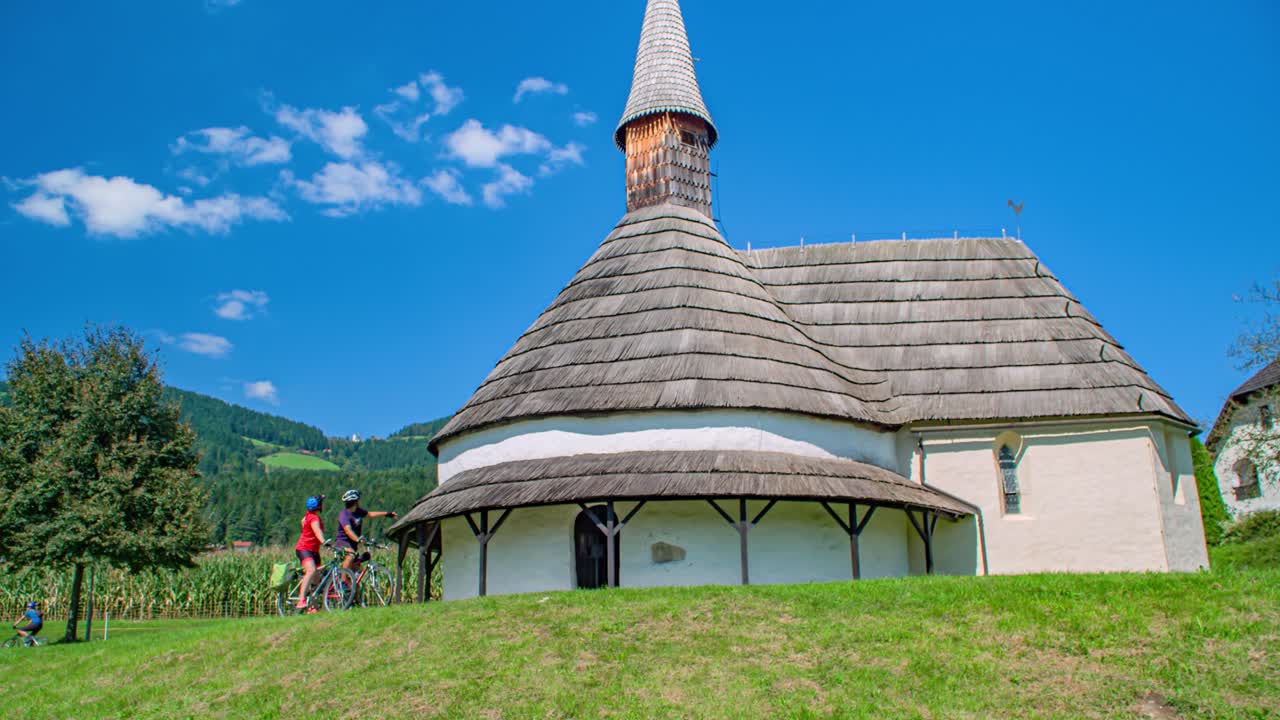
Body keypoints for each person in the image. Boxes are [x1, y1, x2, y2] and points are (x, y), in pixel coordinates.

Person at [335, 489, 398, 571]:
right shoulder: (344, 514)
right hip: (342, 543)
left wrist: (387, 514)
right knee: (350, 555)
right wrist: (358, 539)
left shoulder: (358, 511)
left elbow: (370, 514)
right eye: (358, 500)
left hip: (353, 544)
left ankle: (350, 583)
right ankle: (343, 580)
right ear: (355, 501)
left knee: (356, 570)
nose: (359, 502)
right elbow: (348, 530)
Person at [293, 494, 329, 613]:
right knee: (311, 570)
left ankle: (313, 607)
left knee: (316, 580)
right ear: (319, 506)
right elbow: (317, 531)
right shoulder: (314, 518)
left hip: (314, 550)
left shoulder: (308, 516)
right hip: (304, 549)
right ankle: (301, 600)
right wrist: (324, 542)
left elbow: (302, 521)